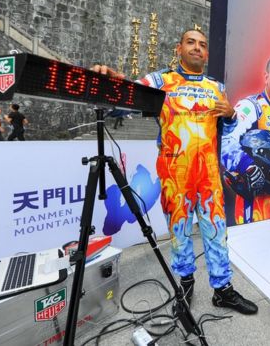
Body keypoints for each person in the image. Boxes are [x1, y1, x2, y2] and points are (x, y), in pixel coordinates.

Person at [92, 28, 257, 315]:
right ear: (178, 48)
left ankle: (223, 290)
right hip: (174, 176)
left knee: (217, 234)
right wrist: (110, 84)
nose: (197, 48)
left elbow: (229, 130)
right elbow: (122, 102)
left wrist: (231, 115)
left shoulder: (217, 87)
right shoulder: (159, 81)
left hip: (208, 177)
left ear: (206, 53)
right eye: (191, 42)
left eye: (202, 45)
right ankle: (185, 284)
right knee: (179, 234)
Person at [221, 56, 270, 224]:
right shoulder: (251, 106)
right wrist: (247, 166)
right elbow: (226, 141)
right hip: (252, 206)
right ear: (266, 77)